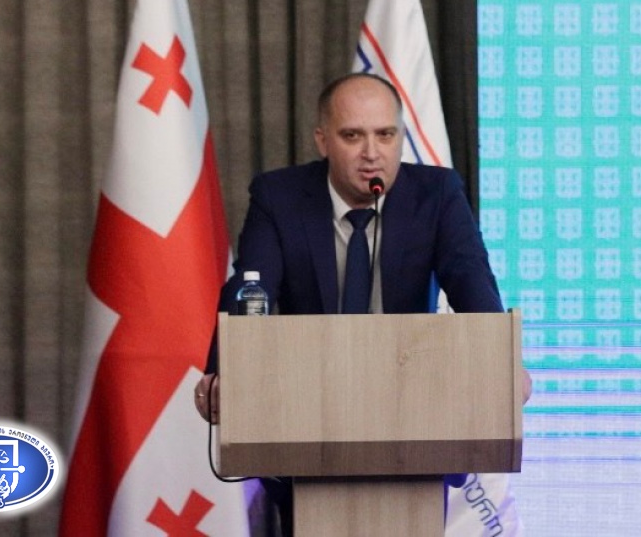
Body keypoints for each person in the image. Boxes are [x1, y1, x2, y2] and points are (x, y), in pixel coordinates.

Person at [194, 72, 531, 535]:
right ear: (323, 140)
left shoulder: (436, 194)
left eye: (385, 135)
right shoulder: (280, 196)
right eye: (353, 136)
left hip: (413, 418)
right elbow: (251, 286)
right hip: (306, 418)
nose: (372, 153)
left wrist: (502, 365)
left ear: (401, 137)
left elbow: (471, 280)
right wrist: (222, 374)